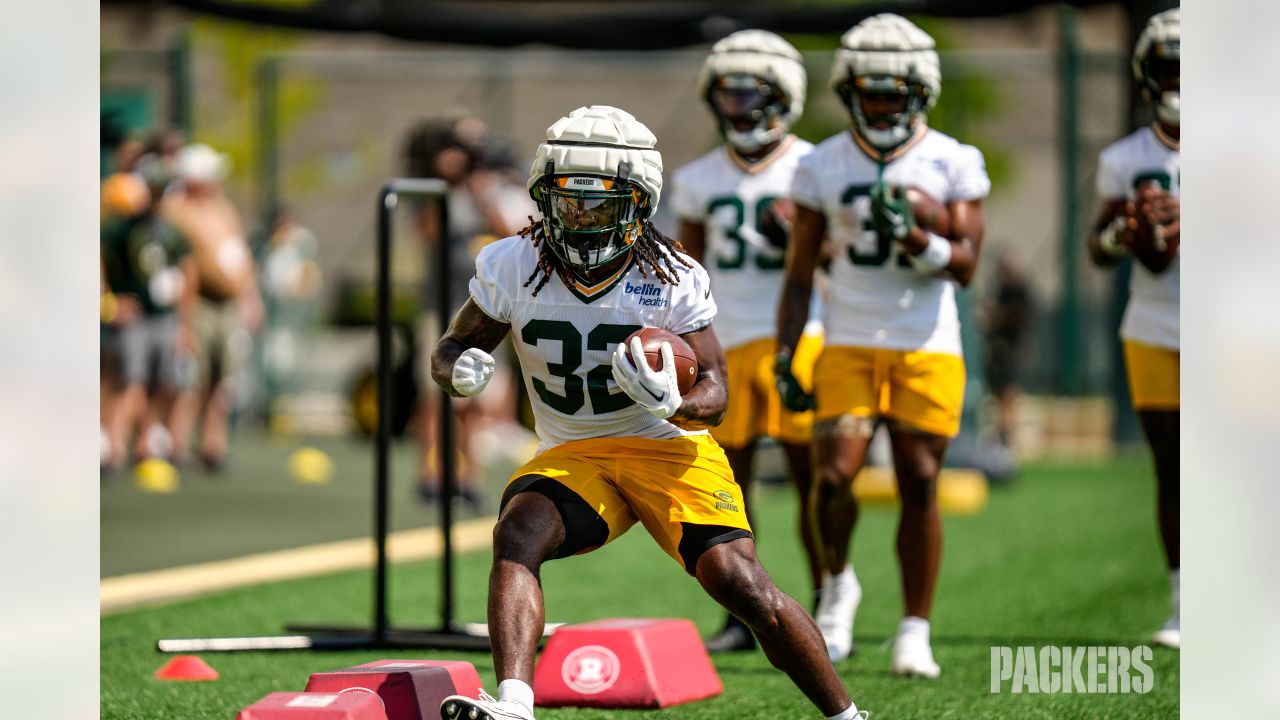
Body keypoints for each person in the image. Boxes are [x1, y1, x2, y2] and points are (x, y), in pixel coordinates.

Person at [433, 106, 867, 720]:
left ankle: (847, 716)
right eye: (567, 202)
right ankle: (514, 705)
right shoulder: (511, 262)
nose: (581, 220)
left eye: (601, 206)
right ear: (542, 198)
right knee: (517, 534)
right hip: (573, 452)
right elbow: (452, 347)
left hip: (665, 445)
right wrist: (458, 368)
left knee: (740, 584)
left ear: (639, 206)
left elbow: (717, 391)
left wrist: (676, 403)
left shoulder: (671, 276)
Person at [776, 14, 990, 678]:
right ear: (849, 92)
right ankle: (838, 588)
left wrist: (919, 239)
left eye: (893, 93)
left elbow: (966, 265)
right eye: (870, 93)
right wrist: (788, 353)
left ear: (918, 93)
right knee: (834, 476)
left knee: (920, 481)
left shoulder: (954, 159)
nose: (880, 105)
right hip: (847, 339)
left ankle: (914, 629)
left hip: (926, 341)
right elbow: (800, 269)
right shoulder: (820, 163)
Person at [670, 29, 823, 653]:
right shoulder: (699, 176)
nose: (736, 108)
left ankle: (826, 602)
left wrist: (808, 239)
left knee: (814, 479)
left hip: (800, 337)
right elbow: (687, 270)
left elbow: (841, 259)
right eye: (727, 95)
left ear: (782, 97)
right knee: (729, 485)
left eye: (749, 95)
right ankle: (744, 613)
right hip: (726, 342)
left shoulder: (814, 166)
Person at [1086, 7, 1180, 649]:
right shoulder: (1126, 157)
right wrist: (1129, 229)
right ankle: (1184, 601)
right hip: (1152, 322)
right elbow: (1099, 247)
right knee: (1173, 469)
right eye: (1170, 66)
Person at [162, 143, 264, 470]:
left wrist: (250, 295)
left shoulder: (222, 208)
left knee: (222, 379)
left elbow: (238, 254)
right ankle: (177, 445)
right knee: (192, 379)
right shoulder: (176, 210)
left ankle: (212, 445)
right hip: (198, 302)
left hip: (227, 304)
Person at [100, 163, 198, 469]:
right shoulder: (122, 228)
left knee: (161, 382)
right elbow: (97, 257)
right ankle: (113, 448)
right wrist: (108, 301)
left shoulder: (171, 231)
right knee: (128, 381)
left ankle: (145, 445)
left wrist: (184, 323)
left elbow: (186, 273)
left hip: (163, 317)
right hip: (134, 317)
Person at [981, 253, 1033, 451]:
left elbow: (1017, 319)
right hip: (998, 351)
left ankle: (1006, 438)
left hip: (1011, 351)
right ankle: (1000, 436)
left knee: (1009, 396)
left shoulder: (1019, 293)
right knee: (998, 397)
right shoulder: (1000, 291)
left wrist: (996, 317)